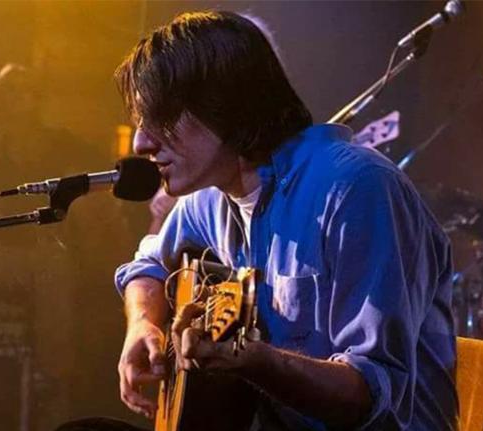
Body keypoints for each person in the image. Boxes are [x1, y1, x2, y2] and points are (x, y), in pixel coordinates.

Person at [112, 11, 456, 430]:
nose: (141, 142)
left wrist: (255, 362)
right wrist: (143, 323)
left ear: (226, 105)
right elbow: (146, 265)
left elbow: (369, 397)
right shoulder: (212, 197)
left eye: (161, 118)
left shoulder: (356, 188)